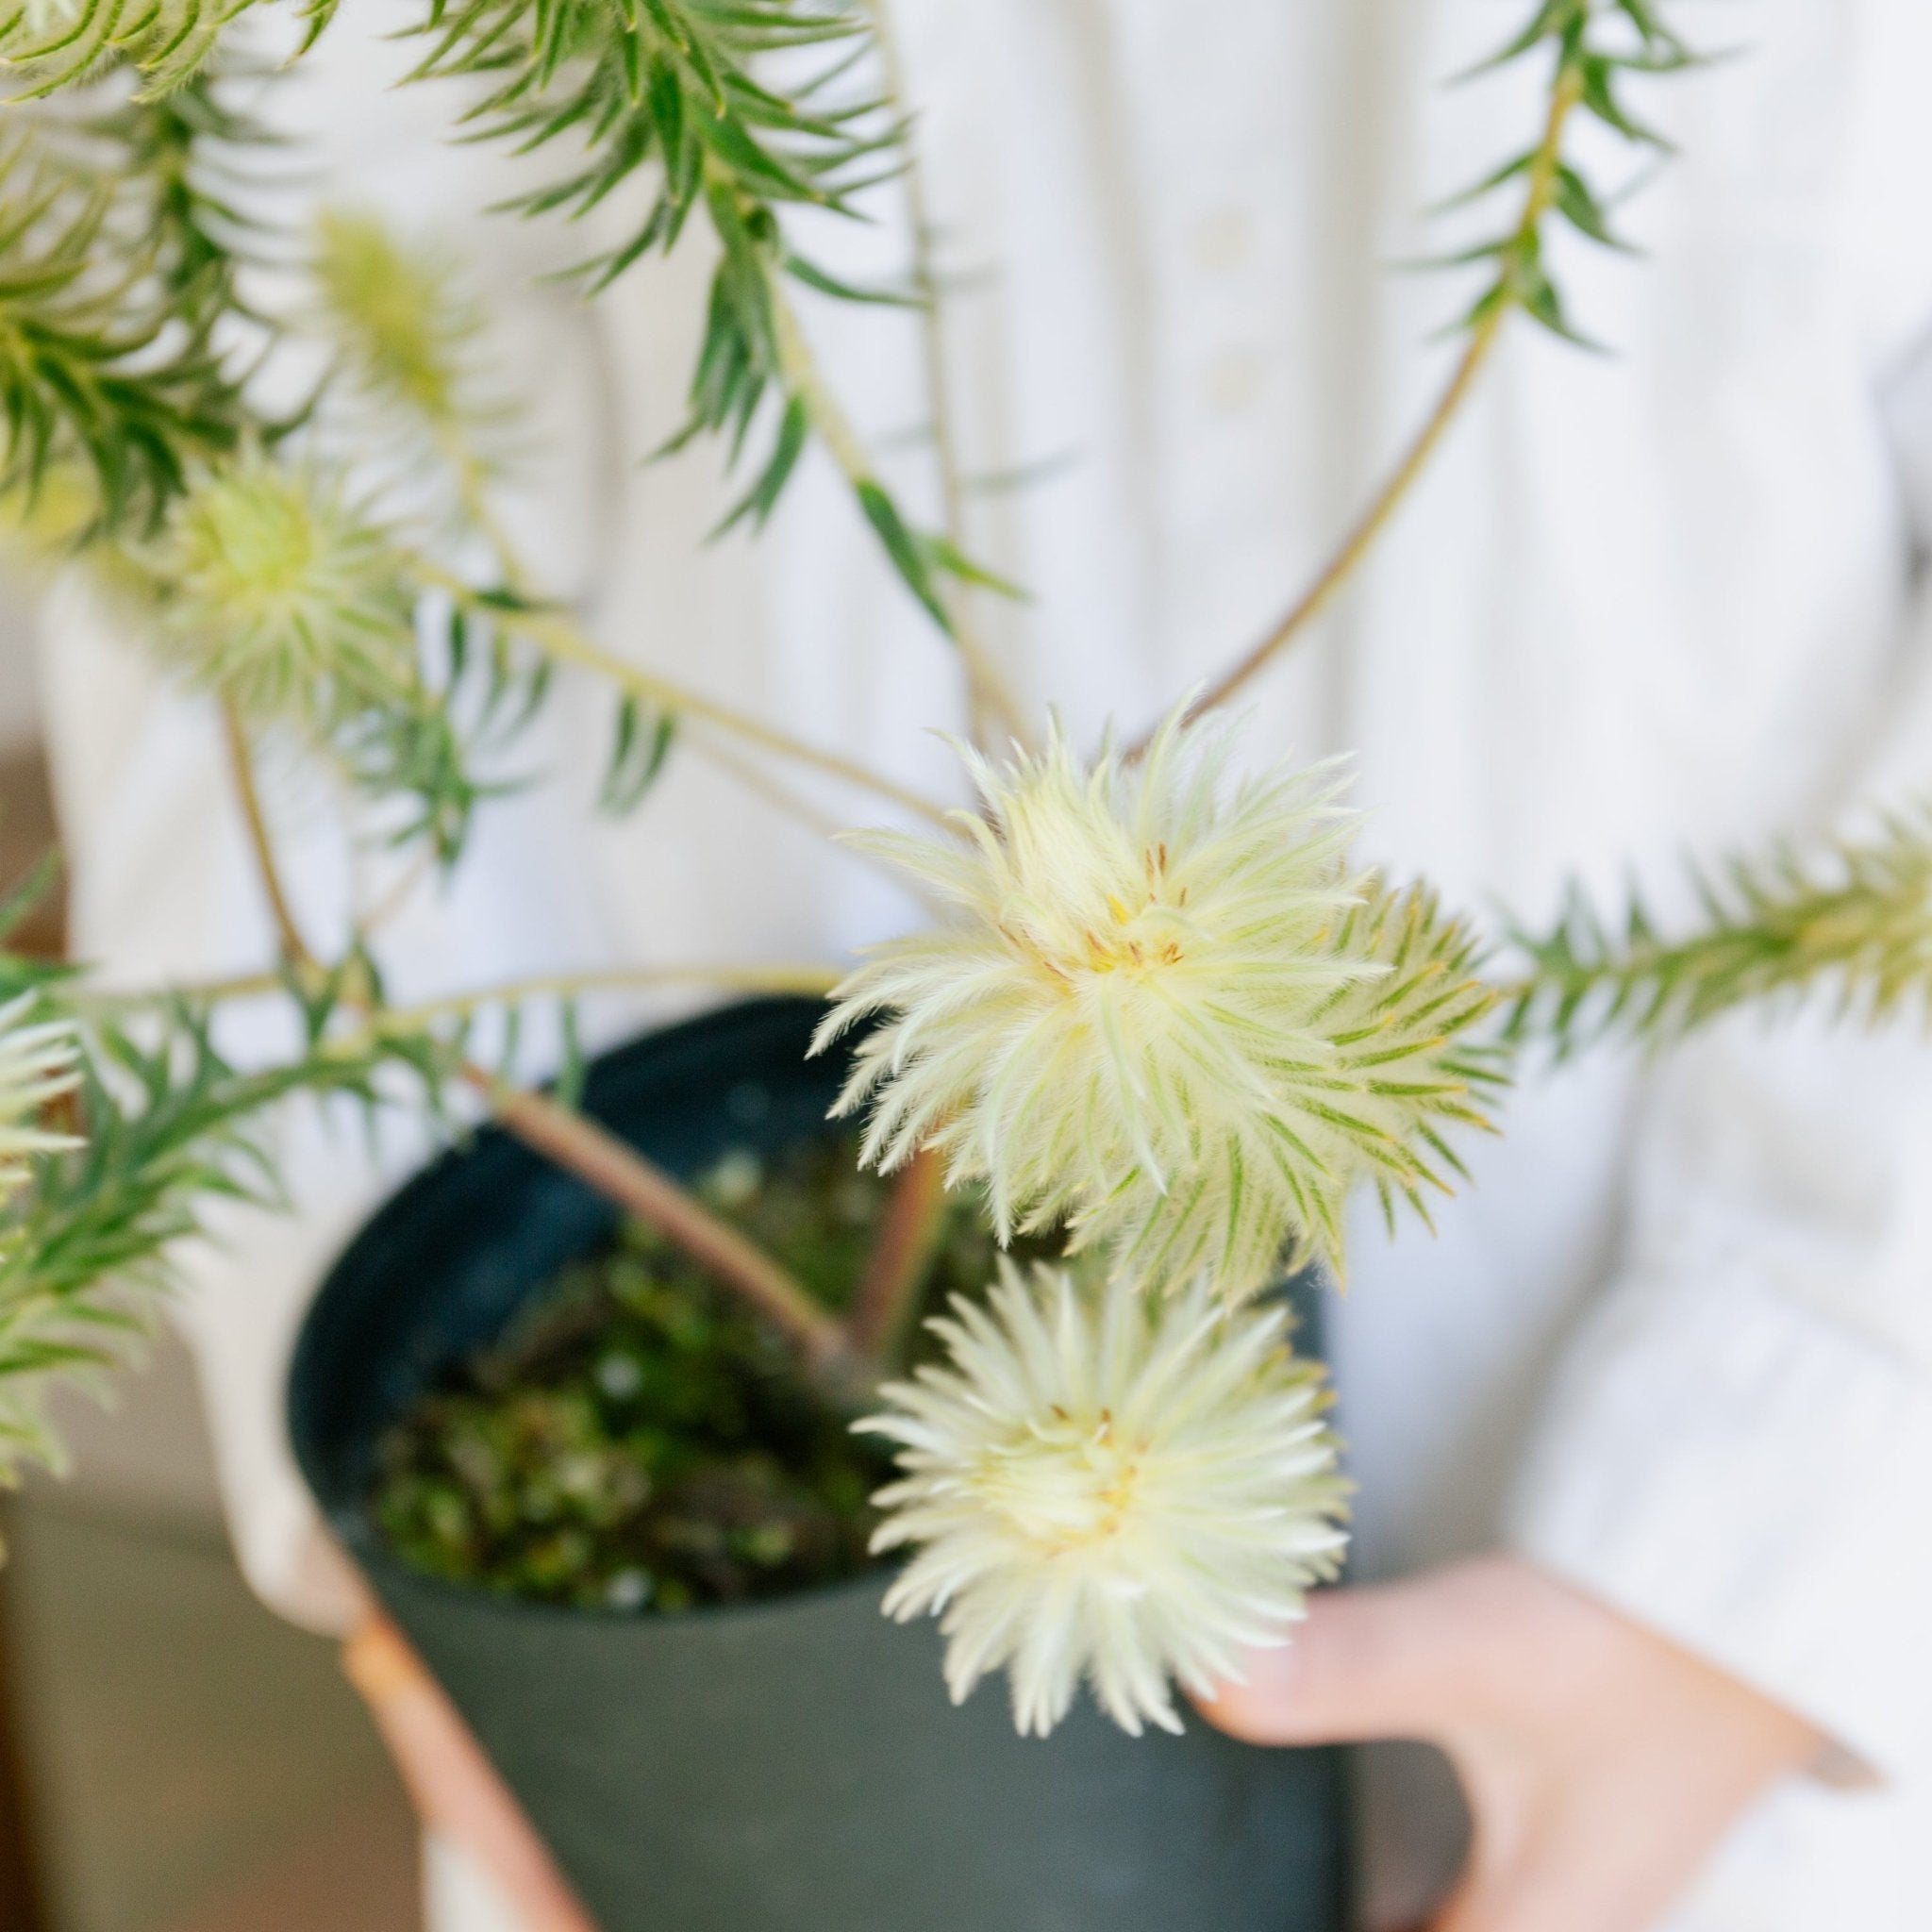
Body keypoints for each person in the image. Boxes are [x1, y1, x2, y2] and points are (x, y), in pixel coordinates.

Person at [37, 3, 1932, 1927]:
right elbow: (206, 471)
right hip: (725, 1627)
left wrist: (1766, 1526)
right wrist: (408, 1595)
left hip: (1755, 1566)